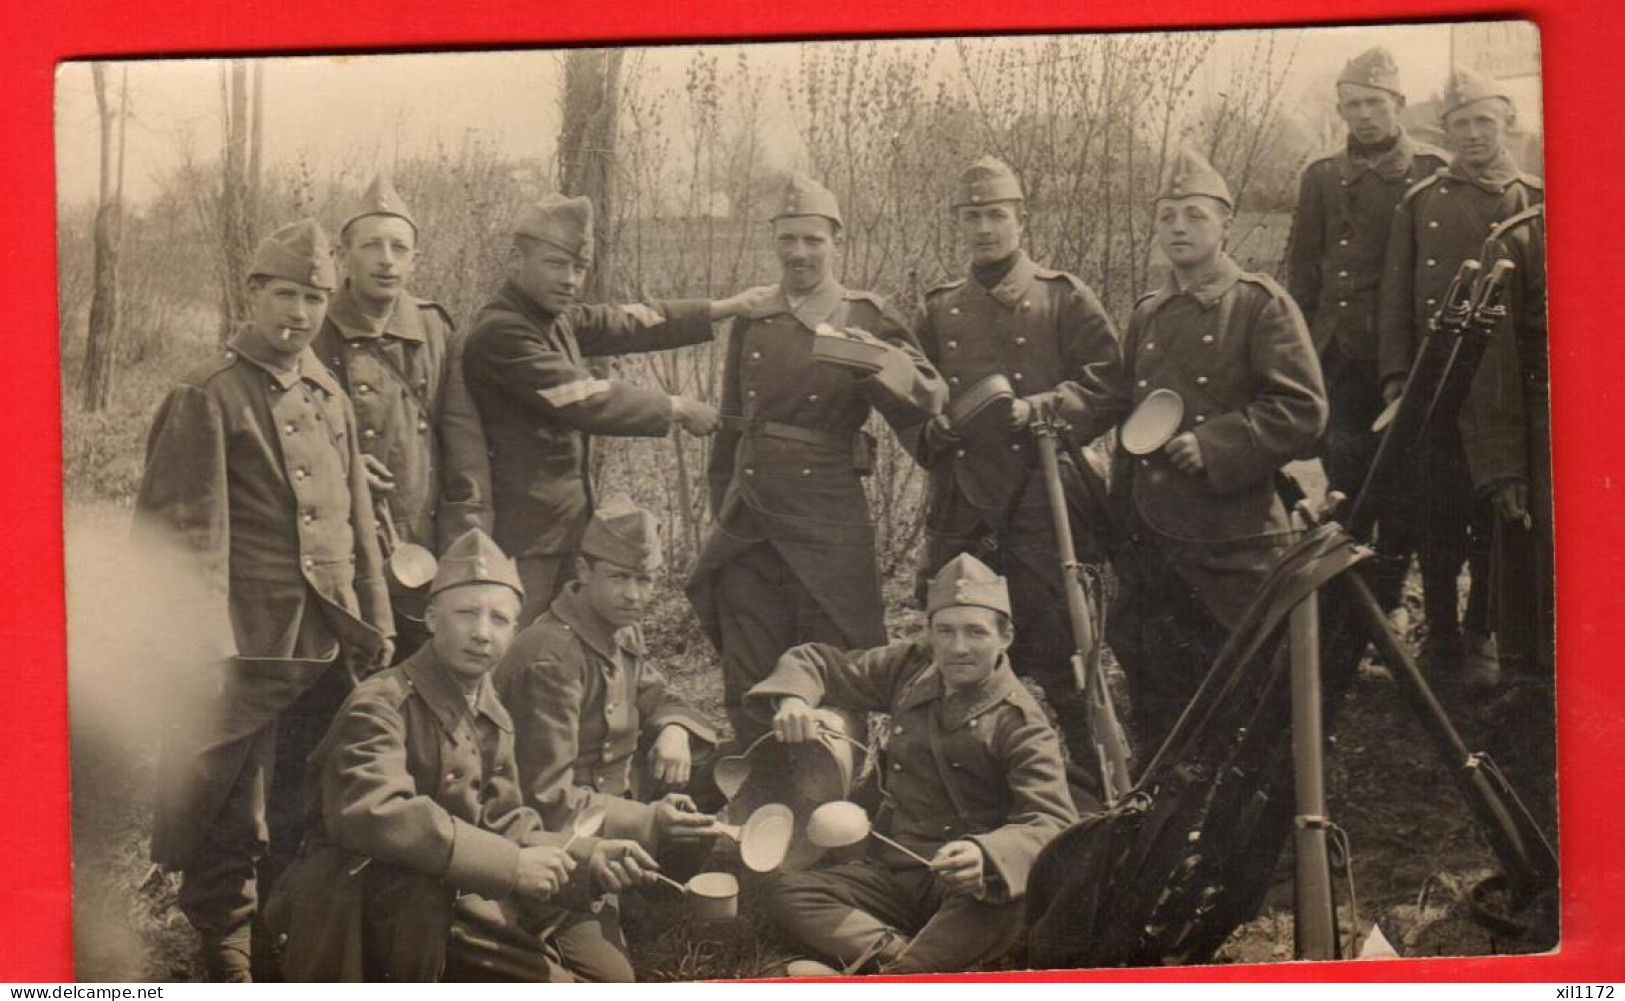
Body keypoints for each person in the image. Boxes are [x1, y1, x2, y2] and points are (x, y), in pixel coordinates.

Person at [133, 219, 394, 980]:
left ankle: (288, 927)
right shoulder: (208, 394)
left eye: (316, 298)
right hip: (245, 643)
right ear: (252, 293)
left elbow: (357, 526)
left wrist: (373, 621)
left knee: (306, 793)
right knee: (229, 797)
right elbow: (182, 537)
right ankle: (228, 944)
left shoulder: (328, 394)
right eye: (286, 294)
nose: (302, 314)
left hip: (325, 637)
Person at [266, 529, 661, 982]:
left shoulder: (490, 711)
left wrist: (585, 857)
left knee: (611, 981)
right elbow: (375, 815)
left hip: (454, 897)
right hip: (365, 907)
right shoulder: (381, 703)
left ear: (515, 630)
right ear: (432, 618)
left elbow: (504, 820)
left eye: (499, 619)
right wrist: (512, 867)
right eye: (466, 614)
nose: (481, 633)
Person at [686, 174, 946, 744]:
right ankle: (760, 795)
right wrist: (723, 501)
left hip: (827, 516)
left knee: (834, 658)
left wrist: (873, 361)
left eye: (812, 240)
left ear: (836, 242)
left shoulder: (866, 314)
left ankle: (837, 800)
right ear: (773, 241)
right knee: (750, 663)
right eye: (787, 240)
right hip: (749, 517)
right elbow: (732, 426)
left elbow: (929, 394)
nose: (799, 253)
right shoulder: (755, 317)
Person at [748, 553, 1076, 975]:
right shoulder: (910, 669)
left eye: (975, 632)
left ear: (1005, 636)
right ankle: (902, 959)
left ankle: (893, 972)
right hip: (896, 872)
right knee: (788, 891)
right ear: (930, 634)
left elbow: (1053, 823)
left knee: (1006, 904)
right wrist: (794, 699)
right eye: (945, 631)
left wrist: (987, 855)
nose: (958, 648)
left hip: (969, 887)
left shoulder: (1021, 723)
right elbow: (818, 663)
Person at [1103, 147, 1328, 759]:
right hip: (1153, 539)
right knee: (1158, 690)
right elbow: (1119, 397)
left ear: (1225, 224)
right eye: (1167, 215)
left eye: (1194, 215)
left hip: (1232, 542)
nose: (1178, 227)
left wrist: (1214, 442)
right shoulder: (1148, 313)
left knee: (1247, 690)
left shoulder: (1260, 304)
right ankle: (1162, 825)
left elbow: (1303, 410)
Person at [908, 155, 1123, 766]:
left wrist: (1046, 408)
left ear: (1020, 219)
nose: (984, 229)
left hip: (1044, 498)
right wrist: (933, 430)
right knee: (963, 638)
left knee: (1063, 645)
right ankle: (971, 770)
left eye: (996, 215)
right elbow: (912, 398)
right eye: (972, 217)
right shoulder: (939, 309)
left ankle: (1090, 774)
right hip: (965, 501)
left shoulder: (1063, 298)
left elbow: (1110, 383)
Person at [463, 194, 763, 624]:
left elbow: (630, 319)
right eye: (555, 264)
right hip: (523, 539)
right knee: (516, 656)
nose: (569, 280)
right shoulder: (502, 332)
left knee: (558, 655)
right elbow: (583, 397)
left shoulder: (551, 319)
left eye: (579, 268)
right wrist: (676, 406)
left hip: (560, 529)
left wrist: (725, 308)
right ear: (516, 260)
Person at [1377, 66, 1544, 689]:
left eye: (1484, 121)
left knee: (1496, 517)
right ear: (1444, 131)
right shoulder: (1423, 202)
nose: (1474, 135)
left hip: (1503, 394)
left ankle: (1483, 634)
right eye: (1461, 124)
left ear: (1505, 124)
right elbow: (1395, 298)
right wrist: (1398, 377)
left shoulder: (1529, 198)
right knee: (1435, 513)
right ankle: (1440, 633)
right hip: (1436, 384)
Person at [1286, 47, 1448, 609]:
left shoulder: (1432, 171)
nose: (1365, 116)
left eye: (1375, 103)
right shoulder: (1322, 177)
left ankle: (1399, 599)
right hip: (1341, 354)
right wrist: (1303, 351)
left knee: (1410, 482)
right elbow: (1302, 272)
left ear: (1398, 104)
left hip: (1409, 356)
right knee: (1346, 476)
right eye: (1353, 105)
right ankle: (1353, 605)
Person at [313, 175, 493, 657]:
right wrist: (342, 462)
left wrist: (464, 542)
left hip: (418, 536)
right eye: (372, 245)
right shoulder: (316, 328)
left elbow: (464, 445)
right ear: (343, 254)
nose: (386, 260)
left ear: (414, 259)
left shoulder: (434, 328)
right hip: (340, 533)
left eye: (399, 247)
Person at [496, 496, 722, 878]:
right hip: (563, 828)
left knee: (720, 765)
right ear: (584, 571)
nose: (634, 595)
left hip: (616, 797)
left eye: (644, 579)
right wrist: (648, 820)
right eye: (619, 578)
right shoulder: (553, 658)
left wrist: (674, 729)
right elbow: (545, 797)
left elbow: (656, 694)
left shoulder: (617, 625)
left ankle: (655, 887)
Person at [1459, 204, 1551, 692]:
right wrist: (1503, 466)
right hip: (1547, 440)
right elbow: (1492, 366)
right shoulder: (1518, 243)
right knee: (1542, 576)